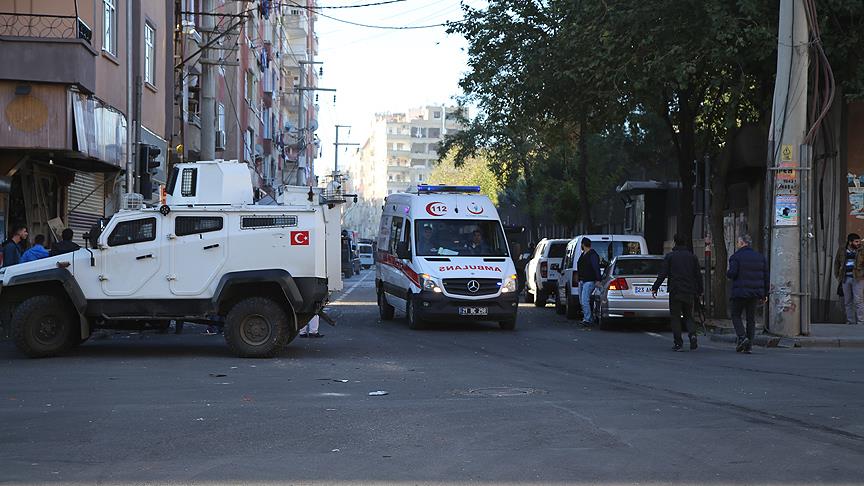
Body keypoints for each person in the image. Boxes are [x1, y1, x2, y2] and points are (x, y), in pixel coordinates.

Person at [652, 234, 703, 351]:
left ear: (675, 242)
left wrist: (655, 287)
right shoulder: (692, 257)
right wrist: (700, 290)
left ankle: (678, 342)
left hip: (675, 291)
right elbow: (698, 275)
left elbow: (663, 274)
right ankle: (693, 334)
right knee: (688, 316)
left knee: (675, 317)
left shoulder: (670, 257)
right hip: (689, 291)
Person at [727, 234, 769, 353]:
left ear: (741, 243)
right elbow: (766, 276)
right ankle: (749, 346)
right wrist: (765, 293)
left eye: (738, 242)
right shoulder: (760, 257)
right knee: (751, 319)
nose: (737, 244)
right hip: (755, 293)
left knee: (735, 315)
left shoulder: (736, 257)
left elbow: (732, 273)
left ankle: (742, 337)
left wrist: (728, 273)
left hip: (740, 292)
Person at [833, 233, 864, 325]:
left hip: (858, 278)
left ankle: (861, 322)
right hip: (845, 278)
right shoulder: (842, 250)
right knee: (847, 301)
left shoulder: (862, 250)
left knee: (859, 301)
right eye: (856, 241)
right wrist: (838, 276)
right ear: (850, 242)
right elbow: (837, 263)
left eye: (859, 241)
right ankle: (850, 321)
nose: (858, 243)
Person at [576, 238, 602, 327]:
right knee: (582, 300)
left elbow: (596, 267)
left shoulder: (592, 255)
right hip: (582, 280)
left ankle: (587, 319)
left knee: (584, 300)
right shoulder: (584, 254)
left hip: (589, 280)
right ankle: (588, 317)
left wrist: (598, 279)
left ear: (583, 244)